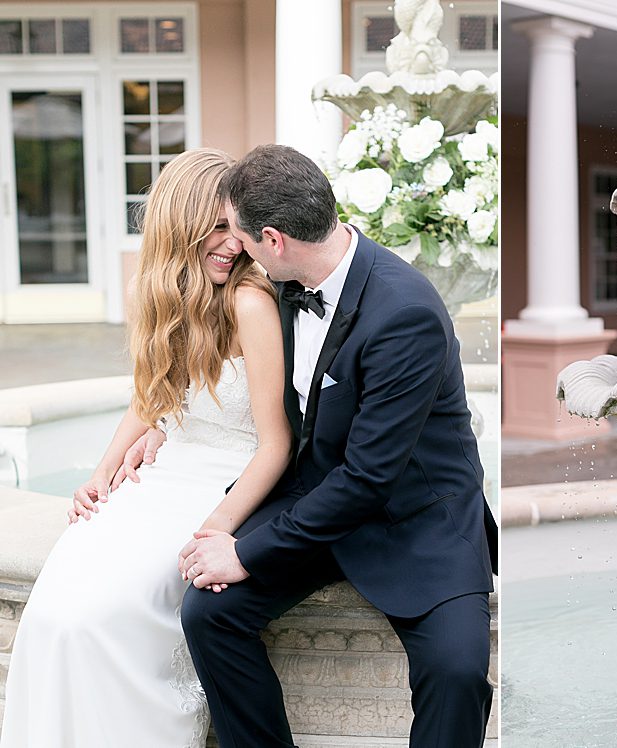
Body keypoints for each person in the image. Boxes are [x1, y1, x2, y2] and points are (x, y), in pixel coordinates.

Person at [168, 143, 498, 748]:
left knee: (456, 671)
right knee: (208, 614)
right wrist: (152, 433)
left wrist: (245, 554)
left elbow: (370, 479)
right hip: (317, 498)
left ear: (275, 240)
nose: (233, 248)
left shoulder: (405, 313)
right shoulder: (285, 283)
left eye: (240, 235)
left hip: (414, 518)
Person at [0, 148, 290, 748]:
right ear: (177, 228)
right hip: (160, 479)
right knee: (53, 614)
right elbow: (150, 397)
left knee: (100, 618)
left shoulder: (251, 302)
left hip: (223, 488)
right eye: (214, 229)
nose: (231, 245)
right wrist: (102, 474)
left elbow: (275, 444)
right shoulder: (157, 295)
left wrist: (216, 526)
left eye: (234, 229)